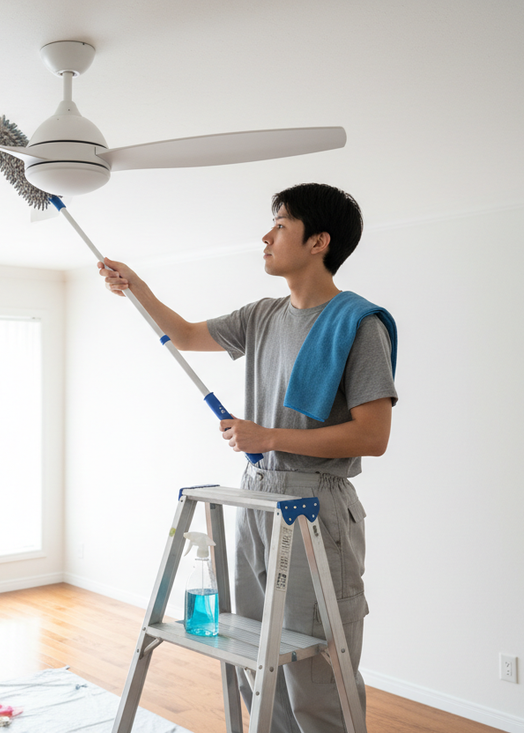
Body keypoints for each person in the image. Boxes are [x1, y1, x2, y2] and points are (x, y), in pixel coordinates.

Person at [98, 183, 397, 733]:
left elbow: (372, 436)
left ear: (318, 241)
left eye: (280, 224)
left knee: (314, 669)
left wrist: (270, 437)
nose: (266, 234)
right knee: (255, 658)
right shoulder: (261, 315)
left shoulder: (360, 324)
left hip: (315, 505)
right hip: (256, 494)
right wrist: (137, 288)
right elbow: (185, 334)